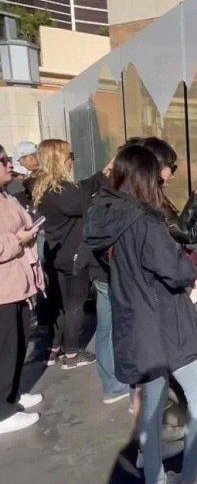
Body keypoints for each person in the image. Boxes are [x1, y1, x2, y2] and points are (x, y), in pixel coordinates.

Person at [84, 145, 197, 484]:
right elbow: (176, 269)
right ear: (146, 177)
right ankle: (190, 476)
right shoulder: (144, 222)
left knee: (152, 402)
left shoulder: (104, 212)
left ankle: (155, 478)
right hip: (164, 325)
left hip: (135, 323)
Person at [32, 139, 106, 369]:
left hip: (58, 255)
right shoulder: (63, 191)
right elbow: (85, 200)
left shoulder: (45, 188)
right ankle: (72, 354)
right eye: (70, 154)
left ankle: (56, 348)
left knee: (64, 304)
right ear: (60, 159)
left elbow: (83, 188)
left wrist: (104, 172)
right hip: (73, 256)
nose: (72, 159)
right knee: (75, 305)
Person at [0, 144, 44, 434]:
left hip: (17, 285)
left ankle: (12, 395)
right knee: (6, 350)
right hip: (4, 289)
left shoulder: (6, 195)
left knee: (17, 346)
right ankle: (2, 413)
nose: (9, 165)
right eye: (2, 161)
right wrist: (20, 238)